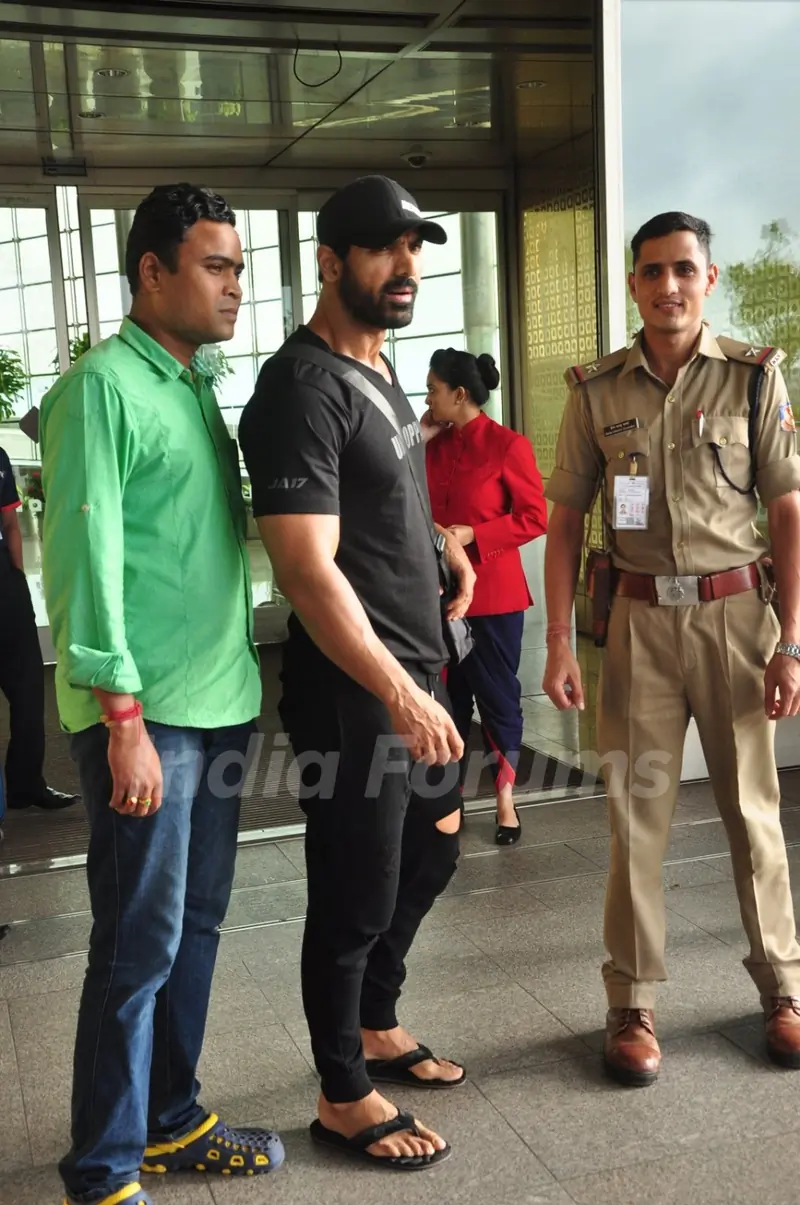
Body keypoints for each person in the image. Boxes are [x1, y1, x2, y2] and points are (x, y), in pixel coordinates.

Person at [40, 184, 284, 1205]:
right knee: (136, 944)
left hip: (220, 697)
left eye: (237, 266)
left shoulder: (192, 383)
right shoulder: (102, 386)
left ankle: (171, 1119)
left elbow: (217, 530)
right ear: (153, 271)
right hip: (149, 720)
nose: (236, 285)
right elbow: (84, 559)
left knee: (196, 925)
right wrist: (120, 717)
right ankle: (101, 1165)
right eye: (215, 266)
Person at [239, 174, 476, 1171]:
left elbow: (378, 500)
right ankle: (342, 1088)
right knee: (355, 888)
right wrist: (396, 689)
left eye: (414, 247)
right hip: (357, 690)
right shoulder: (299, 387)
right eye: (381, 249)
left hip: (418, 666)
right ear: (330, 262)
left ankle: (377, 1019)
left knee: (433, 851)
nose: (405, 266)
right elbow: (304, 564)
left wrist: (437, 546)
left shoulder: (381, 370)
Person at [542, 210, 800, 1087]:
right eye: (651, 272)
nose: (668, 287)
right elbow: (567, 518)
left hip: (736, 620)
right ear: (633, 285)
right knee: (634, 821)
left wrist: (792, 642)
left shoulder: (755, 380)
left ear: (710, 278)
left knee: (754, 816)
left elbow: (790, 509)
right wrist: (560, 644)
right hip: (640, 627)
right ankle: (632, 1001)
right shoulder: (596, 392)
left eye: (683, 269)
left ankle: (783, 988)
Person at [424, 348, 548, 843]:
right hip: (435, 596)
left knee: (498, 699)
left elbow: (534, 517)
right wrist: (418, 431)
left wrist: (473, 535)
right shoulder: (429, 445)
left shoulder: (507, 445)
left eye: (432, 389)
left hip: (494, 599)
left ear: (459, 395)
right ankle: (445, 801)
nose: (426, 397)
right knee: (444, 700)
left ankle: (505, 799)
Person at [0, 444, 77, 814]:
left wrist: (17, 577)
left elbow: (10, 524)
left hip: (6, 590)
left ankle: (26, 785)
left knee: (29, 693)